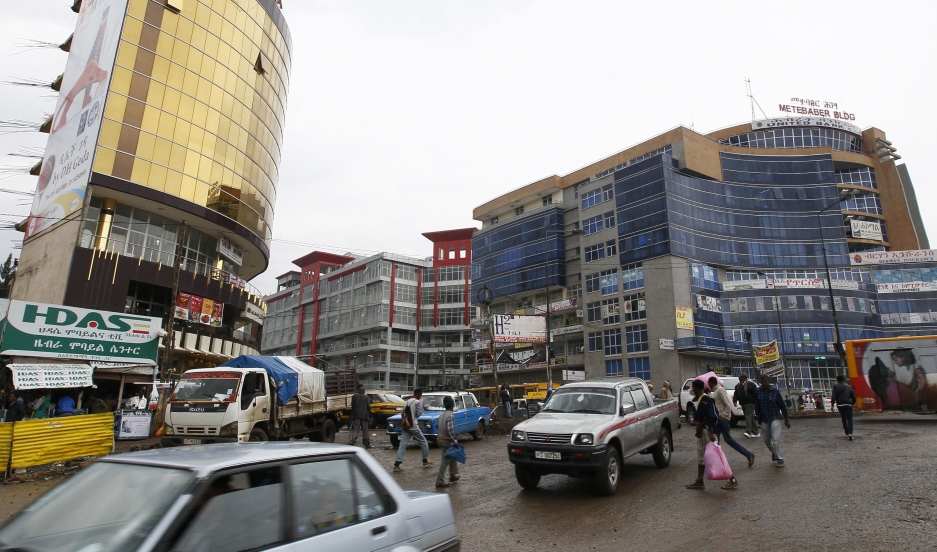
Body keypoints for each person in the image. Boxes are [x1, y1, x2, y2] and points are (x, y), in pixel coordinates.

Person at [685, 380, 737, 491]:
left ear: (694, 388)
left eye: (692, 387)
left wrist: (712, 432)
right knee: (701, 455)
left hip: (708, 431)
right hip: (703, 431)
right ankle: (699, 480)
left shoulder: (706, 400)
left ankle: (732, 479)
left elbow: (713, 416)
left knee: (717, 455)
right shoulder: (702, 399)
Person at [709, 377, 754, 480]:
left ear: (711, 383)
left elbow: (728, 404)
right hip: (718, 420)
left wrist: (724, 415)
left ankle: (748, 455)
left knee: (728, 439)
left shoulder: (720, 390)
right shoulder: (714, 392)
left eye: (709, 383)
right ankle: (717, 463)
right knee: (715, 441)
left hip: (723, 419)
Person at [393, 388, 432, 472]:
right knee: (423, 442)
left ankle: (397, 464)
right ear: (418, 394)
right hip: (414, 426)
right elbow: (418, 413)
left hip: (406, 426)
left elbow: (402, 413)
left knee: (402, 445)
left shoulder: (407, 401)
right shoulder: (417, 402)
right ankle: (425, 460)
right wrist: (423, 408)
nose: (421, 396)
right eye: (420, 394)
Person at [755, 375, 790, 467]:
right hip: (764, 419)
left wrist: (786, 418)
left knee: (775, 439)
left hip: (775, 418)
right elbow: (757, 405)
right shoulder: (758, 391)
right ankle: (774, 452)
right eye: (762, 383)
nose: (763, 384)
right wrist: (758, 416)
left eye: (765, 382)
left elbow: (782, 405)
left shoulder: (775, 391)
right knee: (766, 440)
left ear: (768, 381)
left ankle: (779, 459)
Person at [435, 395, 461, 488]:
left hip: (440, 439)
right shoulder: (450, 415)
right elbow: (450, 430)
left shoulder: (441, 415)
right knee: (445, 461)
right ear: (452, 405)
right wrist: (455, 440)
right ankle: (439, 481)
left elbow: (436, 425)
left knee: (452, 456)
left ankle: (453, 475)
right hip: (446, 440)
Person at [733, 373, 759, 438]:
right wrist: (735, 401)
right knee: (750, 418)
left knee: (748, 417)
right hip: (743, 403)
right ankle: (756, 432)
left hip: (750, 403)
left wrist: (756, 402)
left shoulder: (750, 384)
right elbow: (736, 394)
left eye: (741, 377)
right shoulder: (738, 386)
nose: (739, 378)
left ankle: (748, 431)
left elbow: (756, 393)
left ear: (744, 377)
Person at [831, 375, 857, 440]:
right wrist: (852, 403)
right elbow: (854, 397)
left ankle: (847, 432)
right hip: (848, 404)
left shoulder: (835, 387)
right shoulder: (849, 387)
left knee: (844, 418)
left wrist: (832, 404)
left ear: (837, 380)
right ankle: (850, 433)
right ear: (843, 379)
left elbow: (834, 396)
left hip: (840, 405)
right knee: (849, 419)